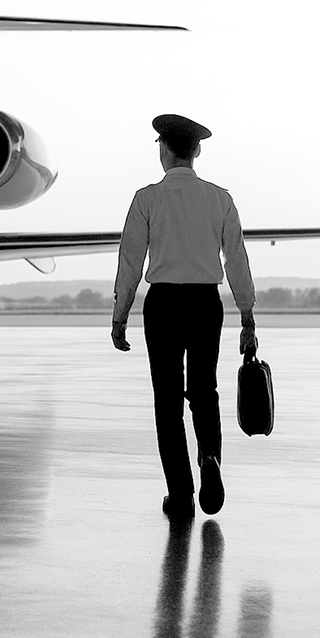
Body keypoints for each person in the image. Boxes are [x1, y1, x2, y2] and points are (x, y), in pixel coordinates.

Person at [111, 114, 258, 519]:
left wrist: (120, 314)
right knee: (204, 391)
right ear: (196, 152)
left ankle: (180, 495)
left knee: (167, 402)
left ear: (163, 150)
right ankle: (209, 456)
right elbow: (237, 261)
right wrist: (247, 315)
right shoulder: (219, 199)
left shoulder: (146, 199)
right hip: (205, 304)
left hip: (163, 306)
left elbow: (130, 262)